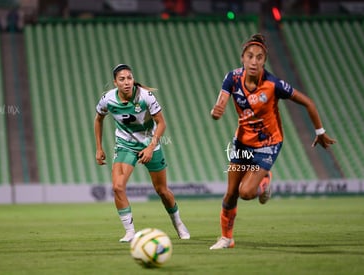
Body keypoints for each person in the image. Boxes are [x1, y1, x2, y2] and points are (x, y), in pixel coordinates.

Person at [209, 34, 336, 249]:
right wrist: (216, 112)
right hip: (242, 143)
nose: (254, 61)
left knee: (247, 193)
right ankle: (226, 238)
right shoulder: (231, 78)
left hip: (268, 143)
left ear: (264, 61)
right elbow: (219, 105)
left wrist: (320, 131)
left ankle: (265, 179)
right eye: (250, 56)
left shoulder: (273, 84)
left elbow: (308, 102)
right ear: (242, 58)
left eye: (259, 57)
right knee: (231, 193)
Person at [94, 64, 190, 242]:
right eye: (122, 79)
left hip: (149, 143)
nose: (126, 82)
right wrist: (99, 148)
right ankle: (130, 232)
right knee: (117, 187)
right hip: (125, 145)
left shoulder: (145, 96)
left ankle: (178, 223)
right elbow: (98, 119)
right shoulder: (107, 99)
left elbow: (161, 123)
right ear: (115, 82)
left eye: (129, 78)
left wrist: (150, 147)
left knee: (162, 190)